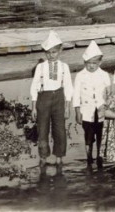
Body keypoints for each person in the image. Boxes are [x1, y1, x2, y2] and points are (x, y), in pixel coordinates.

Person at [30, 30, 73, 175]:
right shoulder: (40, 67)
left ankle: (59, 157)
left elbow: (68, 86)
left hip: (59, 98)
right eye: (48, 52)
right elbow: (35, 86)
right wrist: (33, 107)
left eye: (54, 52)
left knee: (59, 129)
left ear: (60, 51)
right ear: (44, 52)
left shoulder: (64, 67)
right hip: (43, 98)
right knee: (42, 129)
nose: (51, 55)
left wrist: (67, 106)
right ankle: (43, 156)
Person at [72, 40, 111, 168]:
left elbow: (109, 93)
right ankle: (89, 156)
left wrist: (107, 107)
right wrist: (77, 112)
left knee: (101, 133)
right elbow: (76, 95)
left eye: (94, 63)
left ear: (100, 62)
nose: (92, 66)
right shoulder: (80, 76)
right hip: (86, 111)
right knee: (88, 135)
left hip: (101, 110)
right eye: (89, 63)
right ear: (84, 62)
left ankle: (100, 155)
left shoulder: (104, 75)